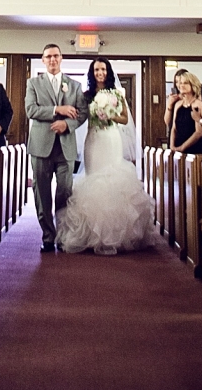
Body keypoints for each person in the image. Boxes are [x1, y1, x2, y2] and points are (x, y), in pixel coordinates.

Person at [56, 58, 155, 256]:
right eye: (96, 70)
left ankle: (116, 234)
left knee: (112, 178)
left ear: (108, 71)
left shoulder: (116, 93)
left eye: (102, 69)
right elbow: (80, 116)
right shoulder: (87, 95)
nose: (99, 73)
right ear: (92, 73)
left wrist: (109, 115)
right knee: (93, 177)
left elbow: (124, 118)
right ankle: (91, 234)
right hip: (93, 140)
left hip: (111, 138)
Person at [25, 44, 87, 253]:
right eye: (48, 56)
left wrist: (67, 124)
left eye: (56, 56)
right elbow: (30, 110)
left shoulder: (74, 85)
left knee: (65, 191)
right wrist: (57, 110)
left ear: (61, 58)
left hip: (65, 146)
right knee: (41, 193)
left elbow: (82, 113)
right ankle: (48, 236)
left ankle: (62, 234)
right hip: (41, 146)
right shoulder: (33, 83)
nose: (52, 60)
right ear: (43, 60)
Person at [169, 70, 202, 154]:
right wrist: (172, 146)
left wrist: (182, 147)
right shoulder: (178, 105)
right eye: (180, 83)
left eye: (185, 83)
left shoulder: (199, 105)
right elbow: (174, 128)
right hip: (177, 148)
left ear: (192, 85)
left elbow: (199, 132)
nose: (181, 85)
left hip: (194, 150)